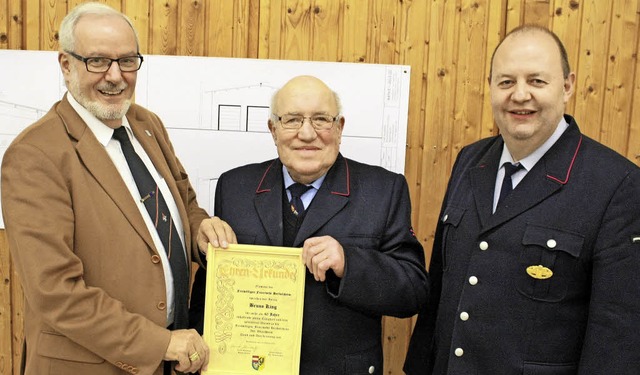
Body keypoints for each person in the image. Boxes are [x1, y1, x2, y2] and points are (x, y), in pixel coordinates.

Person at [1, 3, 236, 374]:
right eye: (97, 61)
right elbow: (56, 293)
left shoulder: (146, 124)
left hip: (172, 360)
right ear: (66, 65)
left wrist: (200, 230)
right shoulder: (35, 155)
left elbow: (183, 202)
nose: (116, 76)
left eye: (127, 61)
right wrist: (159, 343)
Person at [404, 25, 640, 374]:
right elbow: (441, 289)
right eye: (506, 82)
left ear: (568, 86)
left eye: (536, 81)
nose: (520, 95)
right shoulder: (471, 161)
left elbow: (617, 332)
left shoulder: (615, 183)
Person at [189, 75, 429, 374]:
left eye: (320, 120)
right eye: (291, 120)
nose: (306, 133)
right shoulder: (235, 187)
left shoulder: (383, 190)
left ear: (339, 128)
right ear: (273, 130)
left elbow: (413, 290)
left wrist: (348, 263)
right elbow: (211, 285)